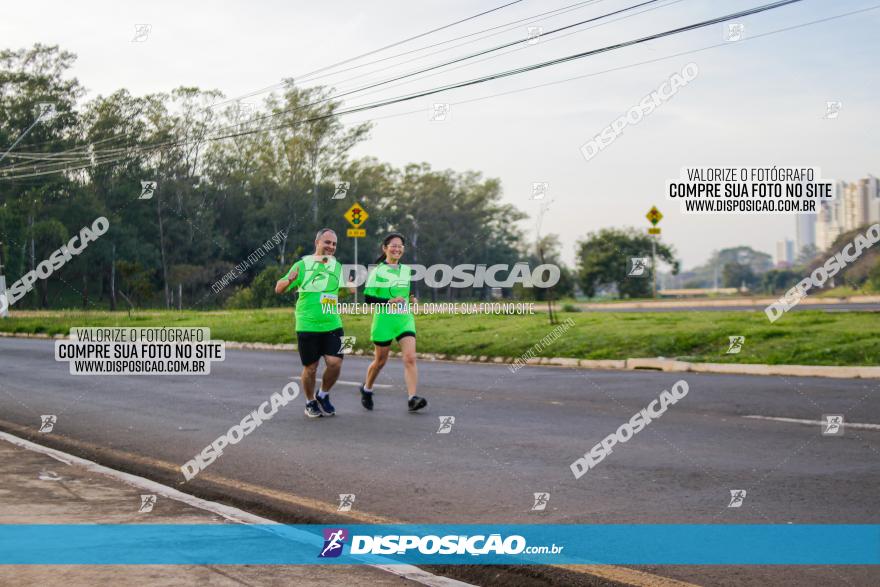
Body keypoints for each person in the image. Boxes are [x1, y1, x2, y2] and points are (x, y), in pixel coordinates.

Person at [275, 228, 347, 418]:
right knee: (311, 367)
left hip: (333, 322)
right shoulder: (303, 265)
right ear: (317, 243)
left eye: (334, 244)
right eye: (327, 242)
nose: (331, 247)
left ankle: (323, 394)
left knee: (335, 363)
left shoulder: (337, 266)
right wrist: (289, 280)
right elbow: (279, 288)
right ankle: (309, 401)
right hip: (308, 324)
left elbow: (338, 289)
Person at [359, 233, 427, 412]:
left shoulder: (405, 270)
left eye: (400, 246)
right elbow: (368, 298)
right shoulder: (377, 271)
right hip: (384, 321)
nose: (397, 249)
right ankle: (367, 388)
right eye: (393, 246)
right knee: (380, 361)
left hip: (404, 319)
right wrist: (388, 302)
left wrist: (412, 299)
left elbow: (405, 292)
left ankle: (412, 398)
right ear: (385, 248)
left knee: (410, 358)